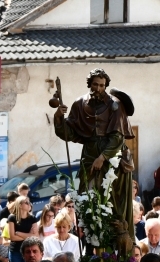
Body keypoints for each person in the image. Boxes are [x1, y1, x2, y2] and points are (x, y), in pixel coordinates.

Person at [54, 67, 135, 232]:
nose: (98, 88)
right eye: (95, 84)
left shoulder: (115, 105)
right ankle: (92, 239)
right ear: (89, 84)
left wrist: (102, 157)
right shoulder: (79, 104)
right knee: (88, 198)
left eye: (102, 85)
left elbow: (118, 137)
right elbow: (69, 133)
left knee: (113, 201)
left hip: (113, 156)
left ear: (106, 86)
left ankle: (117, 237)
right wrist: (58, 117)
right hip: (90, 154)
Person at [7, 195, 38, 262]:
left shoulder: (32, 218)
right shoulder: (12, 217)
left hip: (28, 250)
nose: (29, 204)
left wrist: (18, 233)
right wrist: (28, 236)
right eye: (26, 203)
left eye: (29, 202)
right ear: (20, 205)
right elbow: (12, 237)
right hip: (15, 251)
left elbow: (35, 237)